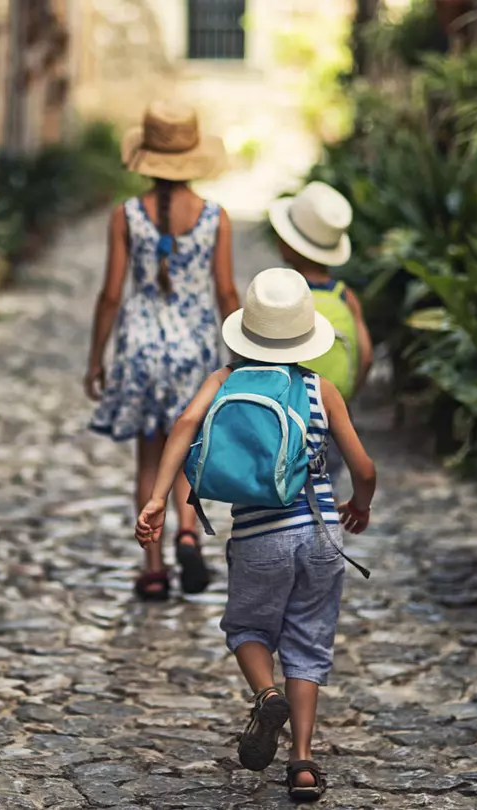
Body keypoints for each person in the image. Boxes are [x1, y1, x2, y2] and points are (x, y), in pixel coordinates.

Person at [133, 267, 377, 801]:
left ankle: (267, 694)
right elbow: (363, 467)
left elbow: (183, 426)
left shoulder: (223, 380)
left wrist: (157, 497)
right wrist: (359, 504)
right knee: (309, 644)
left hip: (259, 537)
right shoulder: (321, 389)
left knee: (247, 628)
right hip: (320, 537)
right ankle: (304, 764)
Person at [86, 101, 240, 602]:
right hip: (194, 351)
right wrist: (240, 361)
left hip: (139, 348)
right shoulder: (217, 218)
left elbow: (111, 293)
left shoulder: (126, 215)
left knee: (149, 460)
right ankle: (188, 534)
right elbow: (226, 293)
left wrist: (96, 358)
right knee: (189, 453)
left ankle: (153, 569)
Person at [268, 181, 372, 406]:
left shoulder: (281, 291)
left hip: (285, 408)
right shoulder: (345, 296)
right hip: (331, 408)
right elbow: (366, 356)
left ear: (289, 244)